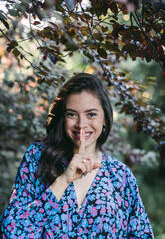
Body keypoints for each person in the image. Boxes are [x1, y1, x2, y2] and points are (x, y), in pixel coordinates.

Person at [0, 73, 154, 238]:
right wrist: (62, 180)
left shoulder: (121, 176)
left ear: (105, 119)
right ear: (63, 117)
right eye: (72, 114)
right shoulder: (37, 157)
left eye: (91, 114)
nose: (81, 124)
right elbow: (12, 233)